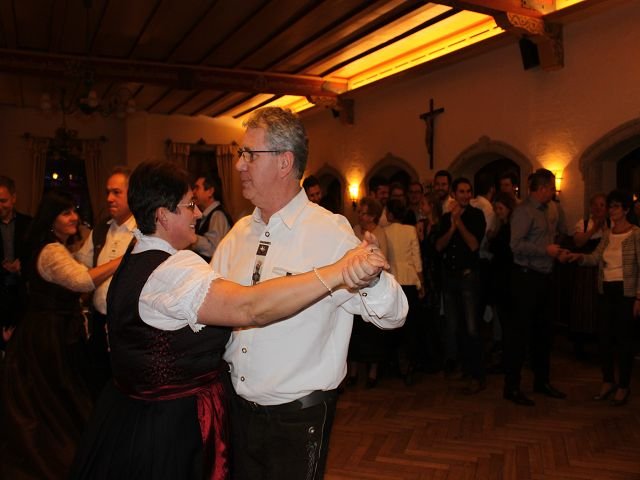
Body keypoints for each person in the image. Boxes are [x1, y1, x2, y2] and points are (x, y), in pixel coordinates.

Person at [70, 160, 387, 480]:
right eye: (189, 205)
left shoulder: (134, 254)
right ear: (163, 215)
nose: (197, 213)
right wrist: (338, 270)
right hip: (173, 429)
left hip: (129, 415)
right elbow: (250, 308)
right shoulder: (173, 270)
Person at [211, 107, 408, 480]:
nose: (239, 165)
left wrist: (372, 280)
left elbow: (394, 315)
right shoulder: (237, 235)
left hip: (297, 419)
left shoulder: (328, 232)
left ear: (284, 162)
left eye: (250, 154)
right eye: (240, 154)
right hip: (236, 410)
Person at [0, 189, 123, 480]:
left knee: (53, 402)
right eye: (65, 213)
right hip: (50, 335)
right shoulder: (51, 250)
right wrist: (122, 259)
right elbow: (82, 281)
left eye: (74, 211)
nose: (74, 218)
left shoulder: (54, 247)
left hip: (47, 330)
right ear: (51, 219)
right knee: (57, 402)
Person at [564, 190, 640, 406]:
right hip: (606, 290)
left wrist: (638, 297)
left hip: (626, 292)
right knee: (604, 338)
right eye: (610, 206)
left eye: (616, 206)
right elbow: (596, 257)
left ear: (626, 209)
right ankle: (608, 381)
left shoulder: (635, 234)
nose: (611, 211)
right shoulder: (608, 233)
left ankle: (623, 385)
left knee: (624, 341)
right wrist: (579, 257)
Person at [503, 168, 568, 406]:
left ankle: (542, 381)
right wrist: (545, 251)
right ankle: (512, 387)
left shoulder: (550, 210)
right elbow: (515, 245)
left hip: (544, 277)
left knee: (544, 333)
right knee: (520, 335)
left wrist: (557, 252)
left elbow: (551, 238)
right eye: (551, 188)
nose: (553, 192)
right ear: (541, 189)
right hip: (525, 279)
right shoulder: (523, 211)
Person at [75, 166, 136, 395]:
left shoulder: (144, 231)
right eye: (107, 192)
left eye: (116, 192)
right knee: (99, 384)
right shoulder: (101, 229)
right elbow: (81, 266)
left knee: (127, 387)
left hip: (129, 326)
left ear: (132, 194)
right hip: (100, 323)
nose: (109, 198)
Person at [436, 178, 486, 394]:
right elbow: (439, 246)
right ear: (454, 194)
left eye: (468, 191)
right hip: (450, 278)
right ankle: (464, 369)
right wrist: (452, 226)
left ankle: (477, 375)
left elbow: (474, 245)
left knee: (472, 328)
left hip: (468, 278)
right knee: (454, 327)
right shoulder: (445, 218)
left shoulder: (477, 215)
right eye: (461, 192)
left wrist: (460, 223)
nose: (465, 195)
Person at [347, 197, 389, 388]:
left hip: (373, 287)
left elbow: (384, 260)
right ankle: (353, 372)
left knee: (373, 332)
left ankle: (373, 372)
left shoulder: (380, 233)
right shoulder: (354, 230)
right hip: (355, 286)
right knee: (355, 332)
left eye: (364, 213)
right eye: (359, 212)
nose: (360, 216)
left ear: (373, 216)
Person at [385, 198, 425, 386]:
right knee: (411, 326)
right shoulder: (410, 230)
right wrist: (421, 283)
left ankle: (395, 364)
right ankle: (410, 364)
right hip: (409, 281)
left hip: (392, 281)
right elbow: (416, 259)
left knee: (394, 325)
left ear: (390, 214)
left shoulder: (385, 232)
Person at [568, 192, 608, 358]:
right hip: (585, 271)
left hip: (603, 269)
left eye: (602, 205)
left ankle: (601, 344)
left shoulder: (612, 224)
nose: (598, 208)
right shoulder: (583, 224)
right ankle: (580, 344)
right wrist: (594, 229)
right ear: (590, 207)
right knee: (583, 305)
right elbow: (578, 242)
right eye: (595, 205)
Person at [0, 175, 31, 354]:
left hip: (22, 296)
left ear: (13, 198)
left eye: (3, 201)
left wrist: (22, 265)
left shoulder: (28, 224)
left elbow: (35, 257)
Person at [191, 172, 233, 262]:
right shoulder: (206, 215)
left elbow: (213, 249)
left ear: (210, 191)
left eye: (197, 188)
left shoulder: (218, 215)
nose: (193, 192)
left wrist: (191, 237)